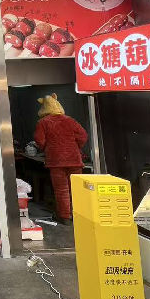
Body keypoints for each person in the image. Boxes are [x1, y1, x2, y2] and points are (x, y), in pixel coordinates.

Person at [33, 93, 88, 224]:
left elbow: (39, 140)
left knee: (61, 190)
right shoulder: (70, 120)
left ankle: (65, 217)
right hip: (74, 159)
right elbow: (83, 136)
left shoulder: (42, 122)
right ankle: (79, 215)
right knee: (76, 189)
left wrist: (48, 149)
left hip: (56, 161)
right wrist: (75, 147)